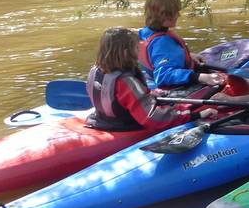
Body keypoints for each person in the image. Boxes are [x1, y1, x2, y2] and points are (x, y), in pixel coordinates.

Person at [86, 27, 216, 132]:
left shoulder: (96, 70)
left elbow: (118, 98)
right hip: (126, 125)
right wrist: (195, 116)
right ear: (126, 53)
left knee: (173, 100)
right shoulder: (126, 82)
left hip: (102, 119)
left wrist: (149, 94)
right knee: (192, 105)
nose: (139, 51)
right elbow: (153, 118)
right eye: (137, 48)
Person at [138, 0, 225, 90]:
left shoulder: (146, 33)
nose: (178, 15)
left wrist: (185, 55)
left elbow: (157, 56)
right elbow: (163, 75)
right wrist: (201, 77)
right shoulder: (162, 43)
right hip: (176, 87)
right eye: (175, 12)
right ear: (165, 15)